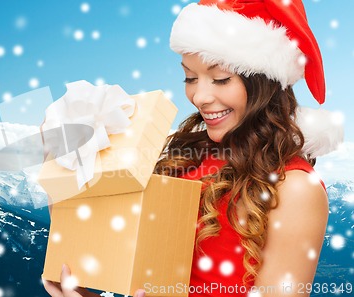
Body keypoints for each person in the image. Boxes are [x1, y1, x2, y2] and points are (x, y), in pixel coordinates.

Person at [44, 0, 341, 296]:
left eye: (221, 79)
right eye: (190, 77)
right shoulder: (185, 158)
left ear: (265, 82)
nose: (199, 97)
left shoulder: (296, 188)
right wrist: (66, 163)